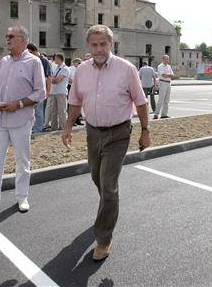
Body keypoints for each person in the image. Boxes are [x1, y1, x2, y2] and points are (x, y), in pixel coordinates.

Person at [62, 25, 151, 261]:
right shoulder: (81, 70)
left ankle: (103, 238)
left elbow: (140, 102)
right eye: (94, 44)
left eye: (103, 44)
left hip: (119, 133)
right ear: (88, 46)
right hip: (93, 132)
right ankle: (108, 209)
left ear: (111, 45)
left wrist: (145, 130)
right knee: (97, 177)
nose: (99, 49)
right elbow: (75, 101)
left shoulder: (126, 69)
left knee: (109, 185)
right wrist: (69, 126)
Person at [0, 26, 45, 221]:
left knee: (22, 161)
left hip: (21, 119)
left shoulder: (34, 62)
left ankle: (22, 197)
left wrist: (19, 104)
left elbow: (40, 92)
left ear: (23, 40)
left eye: (11, 36)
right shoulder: (5, 61)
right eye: (7, 36)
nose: (7, 39)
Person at [26, 43, 52, 134]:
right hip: (31, 90)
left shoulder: (43, 60)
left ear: (33, 51)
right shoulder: (31, 60)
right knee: (32, 110)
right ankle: (34, 127)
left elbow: (49, 76)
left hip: (40, 90)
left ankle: (38, 129)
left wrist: (48, 91)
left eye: (29, 52)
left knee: (39, 111)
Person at [47, 53, 70, 131]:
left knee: (62, 112)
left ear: (60, 59)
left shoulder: (65, 68)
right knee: (53, 112)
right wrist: (53, 79)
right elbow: (52, 78)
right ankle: (54, 128)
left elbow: (57, 80)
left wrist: (52, 79)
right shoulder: (56, 68)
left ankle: (63, 128)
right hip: (54, 92)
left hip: (61, 92)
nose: (54, 60)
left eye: (56, 58)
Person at [153, 54, 174, 119]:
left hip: (168, 83)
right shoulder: (160, 66)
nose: (167, 60)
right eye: (166, 59)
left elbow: (172, 75)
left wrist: (168, 75)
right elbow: (163, 75)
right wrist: (169, 75)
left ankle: (164, 114)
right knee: (161, 99)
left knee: (167, 100)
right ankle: (156, 114)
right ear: (163, 59)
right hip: (162, 82)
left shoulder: (169, 66)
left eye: (168, 59)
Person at [68, 58, 84, 126]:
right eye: (79, 63)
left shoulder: (81, 69)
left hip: (79, 87)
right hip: (71, 87)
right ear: (75, 63)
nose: (80, 64)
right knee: (71, 104)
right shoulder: (70, 69)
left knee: (78, 104)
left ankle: (78, 120)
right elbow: (69, 79)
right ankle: (71, 121)